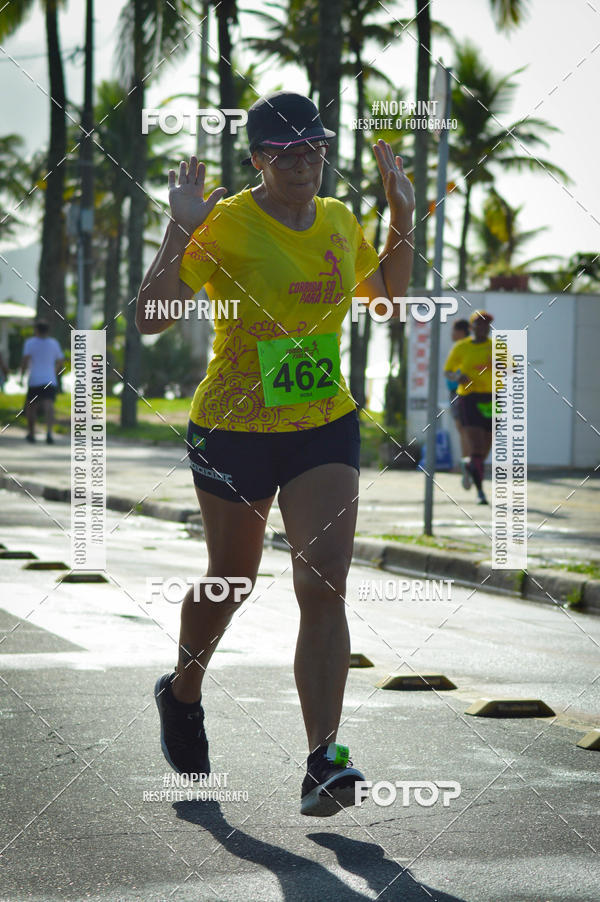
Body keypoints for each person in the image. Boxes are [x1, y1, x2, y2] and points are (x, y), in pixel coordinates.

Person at [136, 91, 414, 817]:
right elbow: (152, 320)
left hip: (324, 422)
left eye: (315, 150)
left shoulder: (339, 219)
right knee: (232, 579)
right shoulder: (225, 223)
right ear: (259, 158)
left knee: (324, 582)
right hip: (234, 426)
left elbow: (386, 297)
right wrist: (178, 229)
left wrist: (402, 215)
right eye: (288, 153)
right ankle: (182, 690)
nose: (305, 164)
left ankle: (325, 759)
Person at [444, 310, 494, 505]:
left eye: (486, 324)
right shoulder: (461, 347)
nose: (482, 327)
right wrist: (459, 377)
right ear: (472, 327)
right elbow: (448, 371)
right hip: (469, 398)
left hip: (492, 399)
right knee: (475, 445)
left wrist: (500, 366)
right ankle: (480, 491)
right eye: (479, 324)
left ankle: (470, 465)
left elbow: (513, 368)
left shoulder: (496, 347)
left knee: (486, 445)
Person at [21, 320, 65, 444]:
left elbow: (25, 360)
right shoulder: (54, 343)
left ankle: (31, 433)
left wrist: (21, 375)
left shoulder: (30, 343)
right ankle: (49, 432)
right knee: (49, 406)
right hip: (49, 380)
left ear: (36, 330)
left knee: (31, 407)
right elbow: (60, 361)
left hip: (34, 379)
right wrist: (54, 372)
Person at [445, 318, 471, 487]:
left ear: (461, 332)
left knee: (467, 430)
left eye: (454, 330)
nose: (451, 333)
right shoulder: (457, 348)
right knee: (462, 430)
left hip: (464, 393)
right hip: (455, 393)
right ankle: (466, 465)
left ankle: (469, 466)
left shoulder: (467, 347)